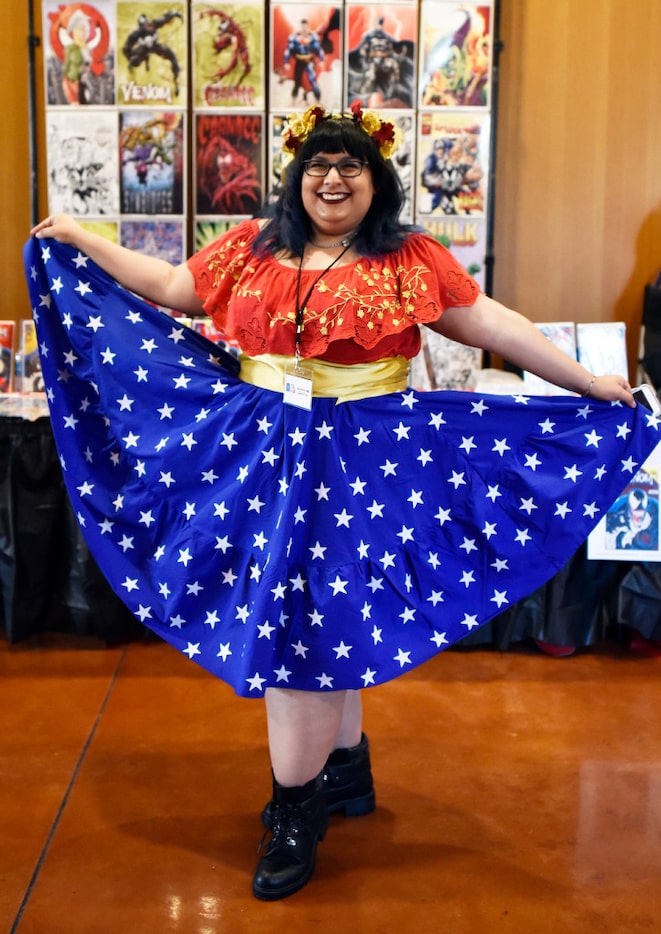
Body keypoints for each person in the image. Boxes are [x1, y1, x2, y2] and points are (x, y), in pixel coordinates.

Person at [26, 102, 659, 902]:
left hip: (365, 459)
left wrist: (587, 381)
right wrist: (79, 237)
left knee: (309, 624)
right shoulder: (252, 247)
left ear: (375, 179)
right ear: (297, 177)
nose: (332, 178)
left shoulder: (410, 260)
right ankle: (344, 772)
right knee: (319, 616)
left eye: (350, 164)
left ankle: (296, 807)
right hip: (264, 453)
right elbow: (171, 288)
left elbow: (492, 321)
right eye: (318, 164)